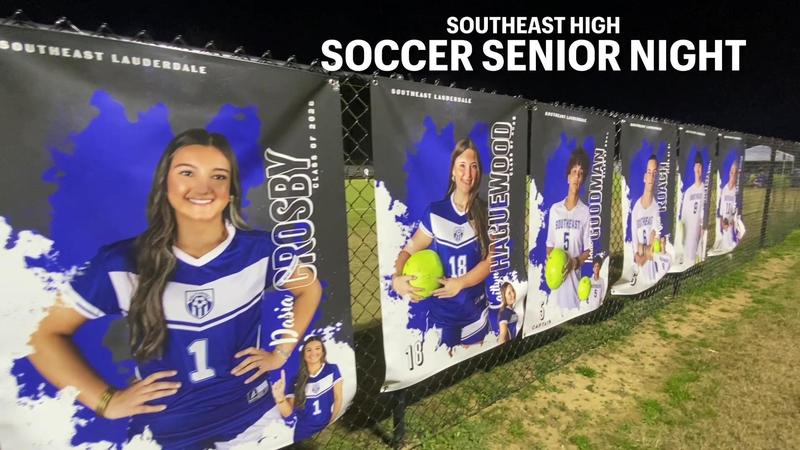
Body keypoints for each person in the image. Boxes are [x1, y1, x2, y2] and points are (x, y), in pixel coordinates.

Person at [28, 129, 322, 449]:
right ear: (164, 183)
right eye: (186, 173)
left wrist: (280, 353)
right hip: (167, 432)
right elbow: (42, 334)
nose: (203, 188)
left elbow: (310, 290)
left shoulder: (261, 249)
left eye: (218, 177)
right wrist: (106, 402)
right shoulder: (122, 262)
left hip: (252, 415)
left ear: (231, 191)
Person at [391, 138, 491, 349]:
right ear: (453, 172)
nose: (468, 173)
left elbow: (492, 260)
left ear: (479, 172)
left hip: (475, 311)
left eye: (474, 167)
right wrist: (396, 278)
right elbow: (409, 250)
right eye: (462, 166)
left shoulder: (487, 212)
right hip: (443, 315)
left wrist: (461, 282)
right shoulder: (436, 212)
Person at [270, 336, 343, 442]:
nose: (313, 353)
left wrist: (331, 421)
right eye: (308, 350)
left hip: (326, 426)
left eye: (317, 348)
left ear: (323, 351)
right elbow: (288, 415)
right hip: (303, 432)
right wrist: (280, 398)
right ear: (303, 355)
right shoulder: (296, 380)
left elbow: (338, 398)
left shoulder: (331, 369)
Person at [546, 147, 592, 312]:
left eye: (580, 174)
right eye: (574, 172)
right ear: (568, 177)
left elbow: (588, 250)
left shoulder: (585, 212)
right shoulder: (555, 210)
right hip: (556, 283)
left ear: (582, 180)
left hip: (573, 284)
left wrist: (574, 262)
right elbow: (550, 245)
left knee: (571, 311)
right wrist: (557, 263)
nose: (577, 177)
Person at [631, 154, 671, 283]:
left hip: (652, 273)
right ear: (644, 177)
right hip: (637, 273)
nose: (651, 177)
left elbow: (655, 246)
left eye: (654, 173)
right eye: (649, 172)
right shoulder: (636, 208)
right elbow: (635, 245)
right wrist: (645, 249)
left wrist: (644, 250)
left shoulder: (656, 209)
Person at [680, 153, 706, 264]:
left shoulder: (704, 190)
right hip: (689, 230)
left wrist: (702, 226)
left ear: (702, 169)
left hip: (699, 229)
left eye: (700, 166)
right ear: (693, 168)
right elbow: (684, 216)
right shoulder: (689, 192)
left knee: (698, 255)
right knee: (687, 254)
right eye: (696, 166)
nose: (698, 168)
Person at [718, 160, 741, 248]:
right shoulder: (724, 189)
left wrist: (732, 221)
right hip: (725, 220)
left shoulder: (736, 191)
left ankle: (731, 250)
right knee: (725, 238)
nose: (733, 174)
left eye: (735, 173)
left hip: (732, 221)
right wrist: (722, 222)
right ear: (729, 173)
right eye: (732, 172)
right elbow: (721, 208)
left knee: (731, 239)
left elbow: (736, 208)